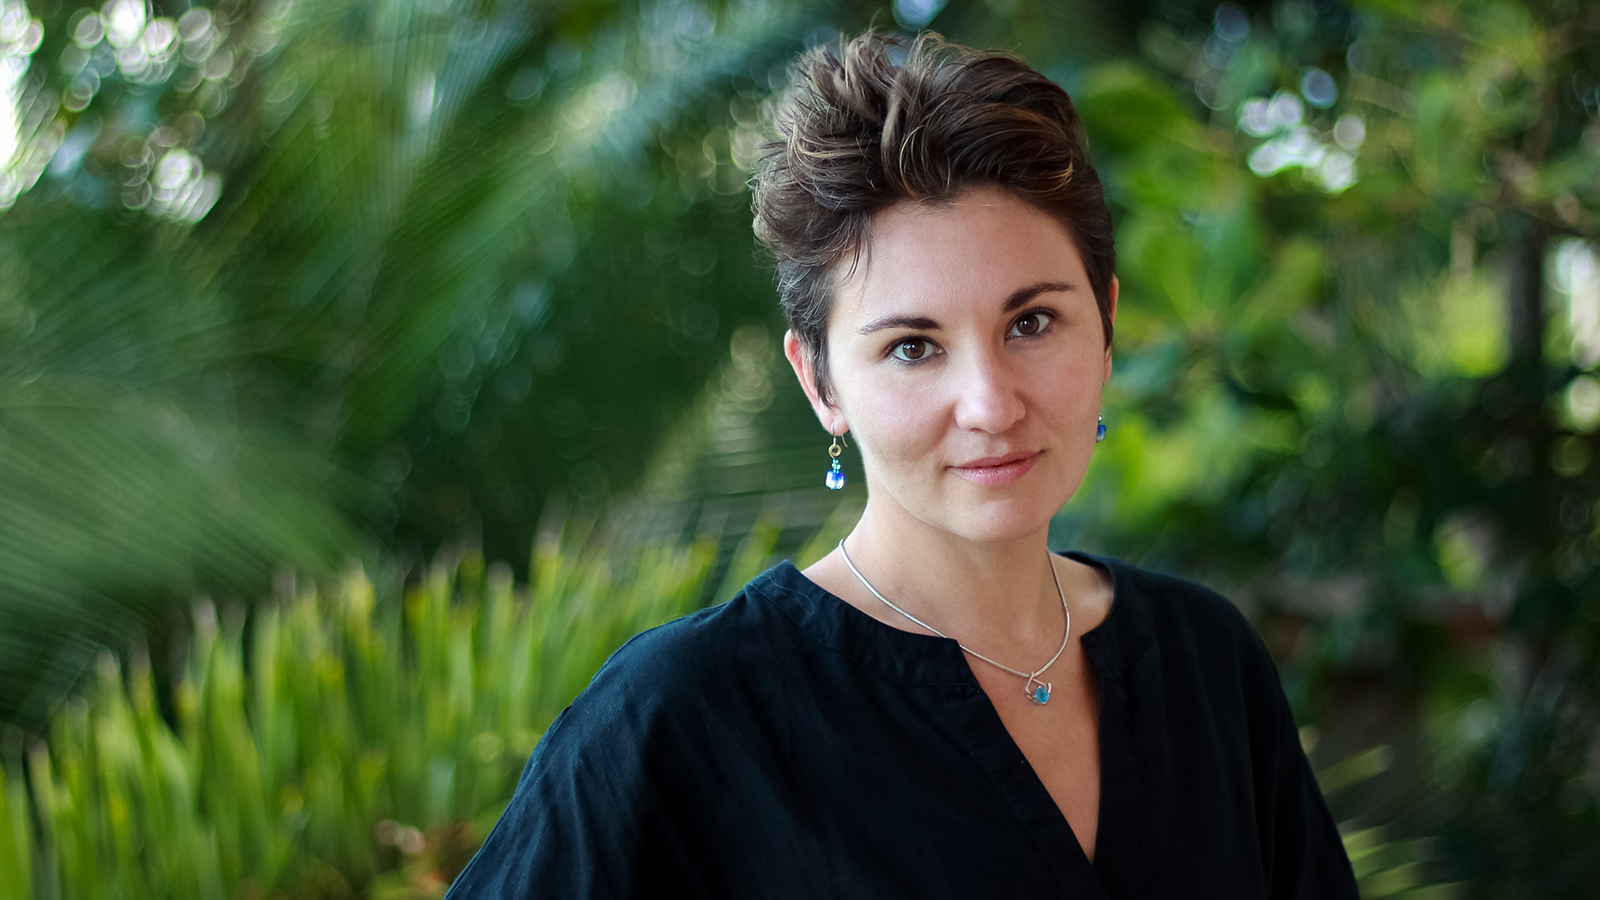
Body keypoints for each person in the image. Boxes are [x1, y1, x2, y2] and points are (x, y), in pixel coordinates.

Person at [446, 31, 1359, 899]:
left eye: (1031, 323)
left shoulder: (1206, 662)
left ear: (1107, 326)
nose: (991, 404)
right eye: (913, 348)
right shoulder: (682, 718)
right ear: (821, 384)